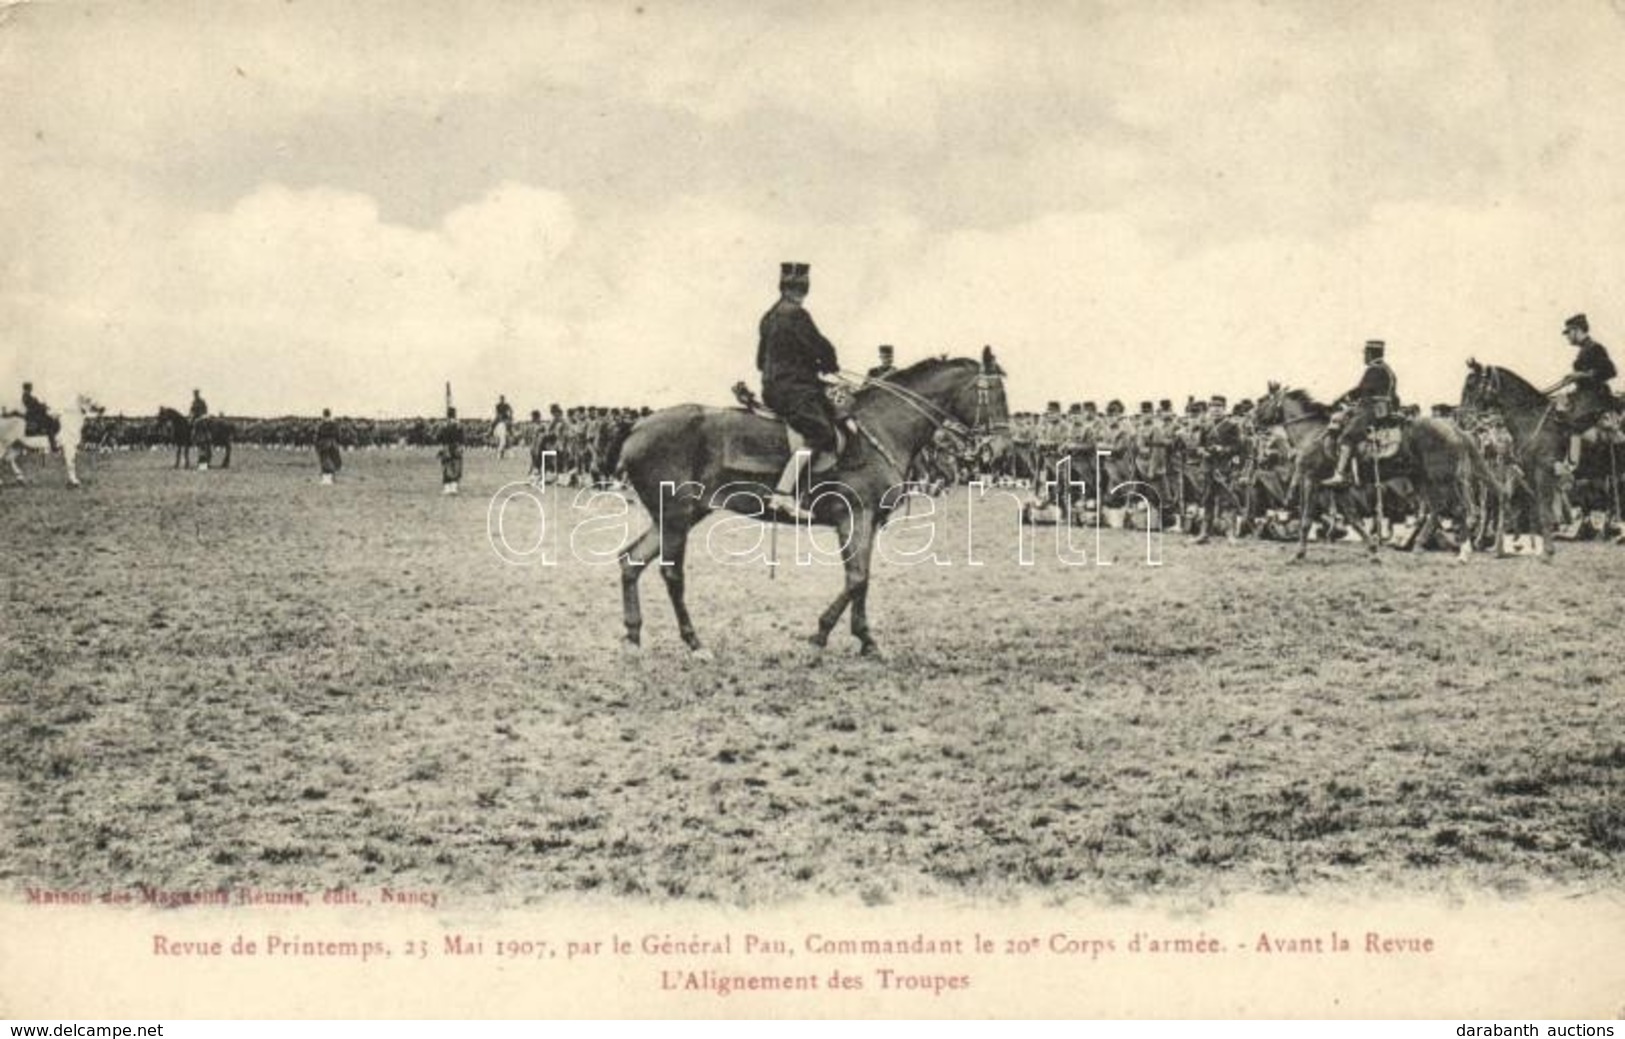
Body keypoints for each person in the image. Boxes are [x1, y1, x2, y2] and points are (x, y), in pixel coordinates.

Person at [757, 261, 841, 520]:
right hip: (793, 389)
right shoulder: (796, 314)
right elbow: (819, 346)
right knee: (821, 432)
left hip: (773, 387)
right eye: (802, 288)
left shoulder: (769, 316)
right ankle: (783, 494)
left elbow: (760, 361)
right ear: (803, 289)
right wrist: (828, 364)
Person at [1324, 339, 1399, 487]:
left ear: (1371, 353)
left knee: (1347, 435)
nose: (1364, 356)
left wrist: (1341, 399)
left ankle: (1340, 474)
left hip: (1372, 409)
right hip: (1382, 409)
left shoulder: (1375, 369)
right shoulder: (1387, 369)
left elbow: (1362, 391)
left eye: (1366, 353)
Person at [1553, 313, 1617, 466]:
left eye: (1568, 332)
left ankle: (1572, 464)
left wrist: (1582, 375)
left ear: (1577, 330)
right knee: (1557, 408)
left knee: (1572, 422)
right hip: (1584, 396)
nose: (1567, 337)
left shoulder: (1595, 348)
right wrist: (1573, 378)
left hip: (1596, 398)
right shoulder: (1584, 350)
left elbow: (1611, 371)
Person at [21, 381, 58, 452]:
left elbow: (36, 405)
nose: (31, 388)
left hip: (35, 415)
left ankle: (53, 444)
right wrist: (43, 407)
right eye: (30, 387)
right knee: (50, 425)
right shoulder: (26, 397)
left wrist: (43, 405)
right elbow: (33, 407)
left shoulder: (27, 396)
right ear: (28, 388)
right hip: (34, 416)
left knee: (50, 420)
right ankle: (53, 446)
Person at [438, 406, 464, 495]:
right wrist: (461, 446)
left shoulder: (444, 425)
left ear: (447, 415)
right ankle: (454, 488)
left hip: (447, 447)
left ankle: (447, 488)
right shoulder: (459, 424)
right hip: (457, 447)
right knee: (456, 467)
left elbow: (440, 437)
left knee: (446, 468)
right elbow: (462, 437)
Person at [315, 408, 342, 485]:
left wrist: (317, 445)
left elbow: (318, 436)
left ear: (323, 415)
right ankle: (332, 479)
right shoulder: (334, 424)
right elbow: (338, 435)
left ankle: (326, 480)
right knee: (333, 460)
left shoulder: (321, 425)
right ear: (330, 414)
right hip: (333, 444)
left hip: (324, 444)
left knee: (325, 461)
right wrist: (337, 443)